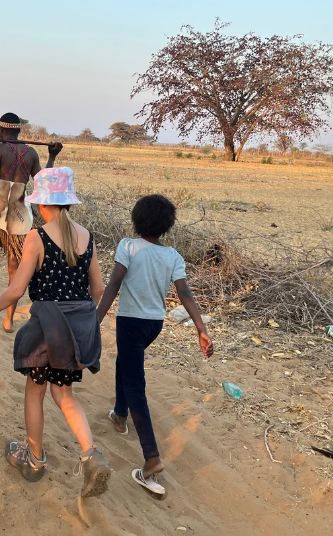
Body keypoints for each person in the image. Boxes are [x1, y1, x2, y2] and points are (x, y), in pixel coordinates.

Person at [0, 167, 112, 498]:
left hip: (45, 332)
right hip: (75, 332)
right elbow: (99, 290)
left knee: (35, 392)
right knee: (64, 395)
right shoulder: (87, 237)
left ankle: (34, 459)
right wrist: (86, 323)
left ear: (41, 205)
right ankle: (91, 454)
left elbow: (16, 290)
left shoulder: (37, 237)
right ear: (68, 202)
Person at [96, 194, 213, 496]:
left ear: (136, 220)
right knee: (127, 362)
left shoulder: (128, 246)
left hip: (130, 322)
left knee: (136, 383)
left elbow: (113, 284)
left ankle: (151, 458)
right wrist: (200, 328)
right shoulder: (172, 256)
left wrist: (95, 319)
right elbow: (185, 294)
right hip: (153, 324)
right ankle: (119, 413)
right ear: (166, 227)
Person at [0, 112, 62, 333]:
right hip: (20, 215)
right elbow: (42, 182)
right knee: (14, 266)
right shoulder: (31, 153)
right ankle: (8, 319)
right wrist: (52, 156)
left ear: (0, 131)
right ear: (19, 131)